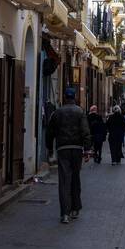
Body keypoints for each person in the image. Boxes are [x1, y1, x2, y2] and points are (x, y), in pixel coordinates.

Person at [45, 86, 91, 224]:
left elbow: (50, 132)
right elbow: (85, 131)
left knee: (64, 180)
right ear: (75, 97)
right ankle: (75, 209)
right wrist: (87, 150)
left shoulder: (57, 113)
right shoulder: (80, 112)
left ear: (64, 97)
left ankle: (64, 213)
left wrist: (49, 148)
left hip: (63, 149)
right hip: (77, 149)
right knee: (75, 178)